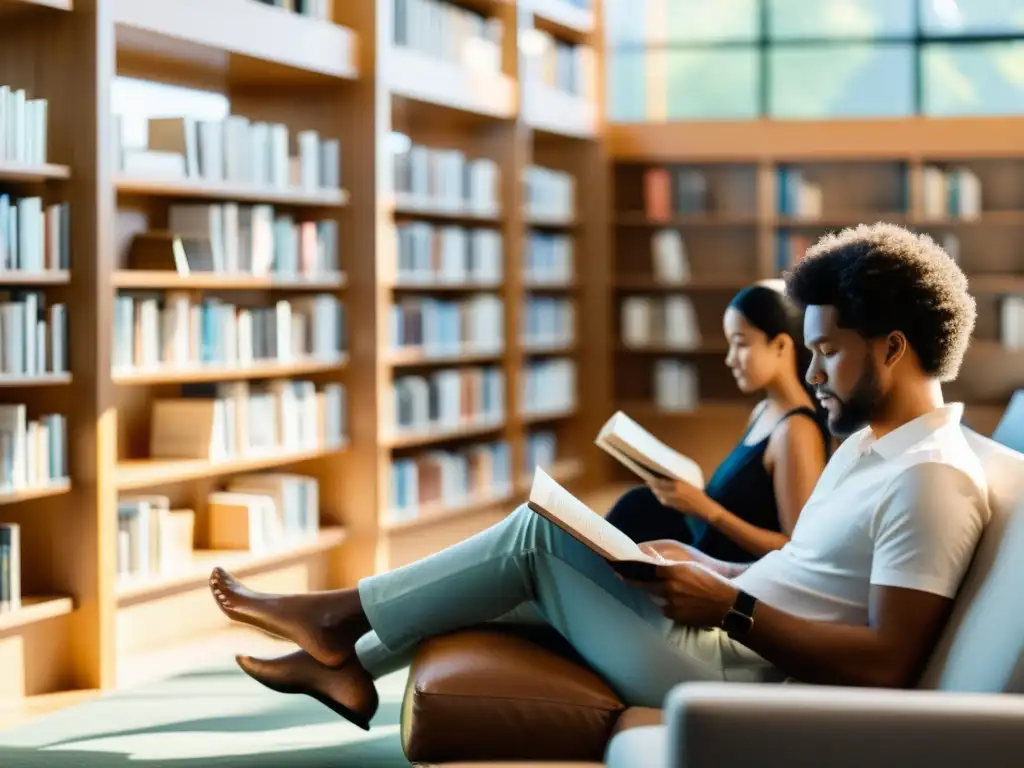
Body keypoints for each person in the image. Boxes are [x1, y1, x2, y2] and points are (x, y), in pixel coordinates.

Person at [209, 222, 990, 735]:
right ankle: (344, 657)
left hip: (737, 671)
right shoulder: (868, 448)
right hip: (726, 633)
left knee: (535, 538)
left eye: (827, 351)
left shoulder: (932, 481)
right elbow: (808, 572)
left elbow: (886, 662)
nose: (812, 371)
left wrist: (732, 605)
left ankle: (336, 623)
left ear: (892, 348)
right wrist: (711, 566)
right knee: (537, 558)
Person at [606, 281, 830, 563]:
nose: (730, 359)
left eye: (741, 344)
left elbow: (794, 549)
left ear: (781, 346)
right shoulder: (763, 411)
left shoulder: (795, 430)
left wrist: (707, 510)